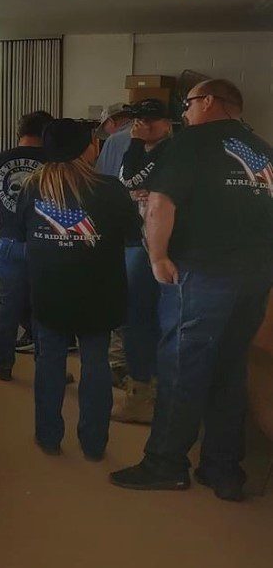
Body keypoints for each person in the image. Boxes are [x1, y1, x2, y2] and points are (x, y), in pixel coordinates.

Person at [112, 80, 273, 500]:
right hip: (255, 276)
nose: (183, 112)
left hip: (202, 273)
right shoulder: (262, 149)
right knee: (229, 369)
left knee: (181, 368)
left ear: (209, 103)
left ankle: (165, 464)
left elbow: (161, 203)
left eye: (187, 104)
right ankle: (222, 469)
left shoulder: (192, 142)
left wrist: (157, 257)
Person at [13, 119, 140, 460]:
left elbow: (23, 234)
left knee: (49, 361)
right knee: (95, 363)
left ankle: (49, 436)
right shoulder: (110, 188)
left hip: (50, 291)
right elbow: (133, 235)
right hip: (99, 292)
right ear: (86, 148)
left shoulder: (31, 188)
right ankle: (95, 443)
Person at [111, 99, 173, 424]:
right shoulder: (143, 150)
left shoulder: (170, 150)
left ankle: (151, 392)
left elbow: (131, 181)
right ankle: (143, 387)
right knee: (137, 317)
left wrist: (134, 144)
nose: (140, 126)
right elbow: (128, 182)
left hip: (160, 245)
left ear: (167, 123)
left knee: (148, 317)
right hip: (140, 239)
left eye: (149, 121)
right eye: (137, 120)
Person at [0, 110, 52, 380]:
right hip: (45, 243)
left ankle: (3, 363)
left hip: (9, 240)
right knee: (45, 306)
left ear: (21, 131)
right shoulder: (53, 161)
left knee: (8, 305)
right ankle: (49, 365)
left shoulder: (0, 159)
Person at [94, 103, 133, 177]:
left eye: (105, 128)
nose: (108, 133)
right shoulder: (146, 133)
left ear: (111, 122)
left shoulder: (114, 140)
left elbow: (102, 176)